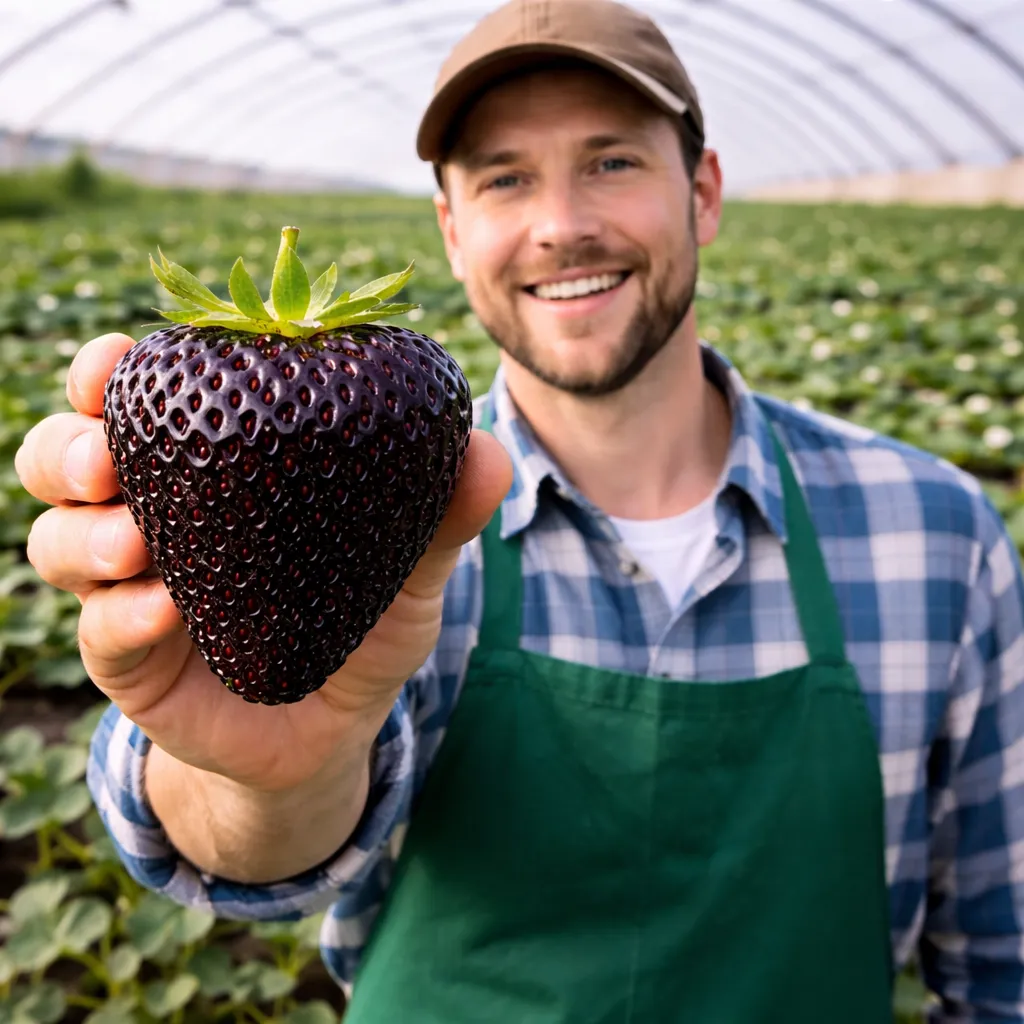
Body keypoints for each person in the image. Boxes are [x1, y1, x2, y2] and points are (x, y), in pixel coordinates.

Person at [14, 0, 1024, 1019]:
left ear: (703, 193)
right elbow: (257, 850)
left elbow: (1003, 963)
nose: (561, 226)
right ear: (452, 232)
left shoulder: (936, 534)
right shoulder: (378, 519)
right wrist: (264, 776)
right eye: (505, 178)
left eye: (612, 162)